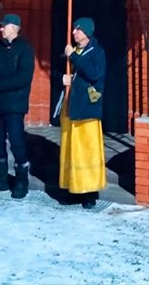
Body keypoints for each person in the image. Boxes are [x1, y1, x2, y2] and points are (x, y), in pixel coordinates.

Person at [0, 13, 35, 199]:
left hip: (14, 104)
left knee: (17, 142)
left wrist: (0, 86)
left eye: (4, 26)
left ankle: (21, 180)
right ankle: (0, 178)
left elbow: (24, 78)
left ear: (14, 27)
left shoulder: (24, 49)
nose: (1, 29)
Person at [58, 17, 107, 209]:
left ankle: (89, 192)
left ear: (86, 32)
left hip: (87, 108)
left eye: (77, 30)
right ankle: (72, 188)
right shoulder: (71, 52)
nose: (73, 33)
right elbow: (58, 72)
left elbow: (94, 73)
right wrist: (62, 78)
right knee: (71, 150)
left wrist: (74, 57)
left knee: (87, 151)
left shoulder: (97, 52)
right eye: (73, 29)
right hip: (71, 107)